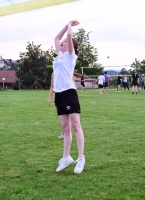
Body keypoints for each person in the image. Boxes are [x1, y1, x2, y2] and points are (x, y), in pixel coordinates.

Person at [53, 20, 85, 174]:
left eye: (66, 42)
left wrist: (69, 26)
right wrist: (65, 27)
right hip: (59, 94)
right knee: (65, 128)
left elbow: (70, 35)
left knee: (76, 126)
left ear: (71, 45)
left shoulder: (70, 56)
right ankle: (66, 157)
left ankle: (80, 158)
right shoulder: (59, 55)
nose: (63, 42)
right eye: (63, 41)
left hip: (69, 92)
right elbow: (56, 38)